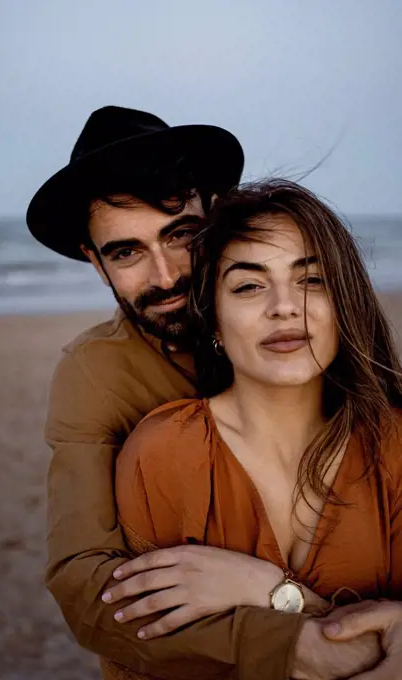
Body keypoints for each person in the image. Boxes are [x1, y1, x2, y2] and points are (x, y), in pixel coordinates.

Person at [27, 107, 382, 680]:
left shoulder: (315, 331)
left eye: (181, 235)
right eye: (126, 252)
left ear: (217, 215)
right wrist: (293, 638)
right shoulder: (96, 373)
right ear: (96, 265)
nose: (165, 277)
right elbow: (84, 583)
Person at [114, 179, 402, 679]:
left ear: (344, 303)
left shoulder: (393, 445)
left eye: (312, 280)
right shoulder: (162, 453)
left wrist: (270, 590)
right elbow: (152, 650)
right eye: (249, 285)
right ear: (216, 322)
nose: (284, 306)